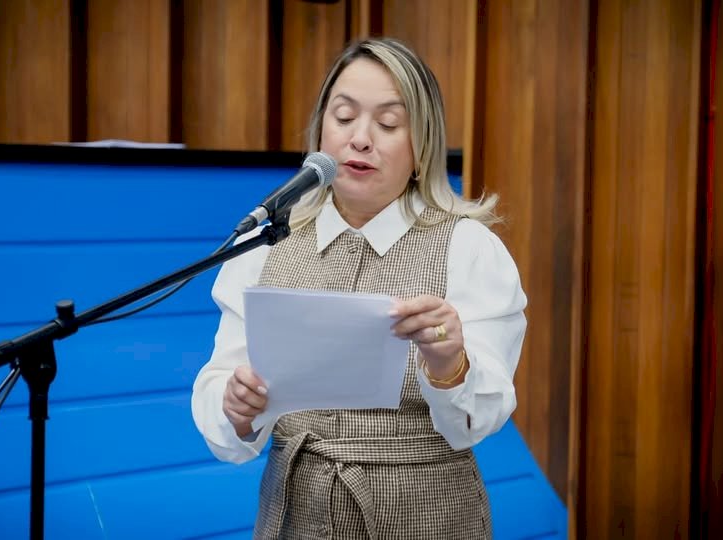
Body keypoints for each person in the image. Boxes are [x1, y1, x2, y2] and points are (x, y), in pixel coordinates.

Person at [192, 37, 527, 539]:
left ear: (422, 148)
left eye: (388, 123)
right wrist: (235, 405)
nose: (361, 139)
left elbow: (480, 420)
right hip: (294, 512)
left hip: (427, 515)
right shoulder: (265, 246)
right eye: (344, 117)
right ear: (319, 134)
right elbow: (224, 398)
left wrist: (450, 365)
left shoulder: (469, 248)